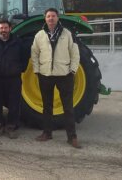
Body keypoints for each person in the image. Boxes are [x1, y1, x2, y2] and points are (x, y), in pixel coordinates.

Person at [31, 8, 81, 149]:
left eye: (53, 16)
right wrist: (37, 70)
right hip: (45, 75)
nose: (51, 19)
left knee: (68, 107)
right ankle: (47, 133)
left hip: (64, 75)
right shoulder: (40, 35)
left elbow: (75, 52)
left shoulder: (67, 34)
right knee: (47, 106)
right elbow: (34, 53)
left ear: (57, 18)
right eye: (48, 16)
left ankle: (72, 137)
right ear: (45, 19)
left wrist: (72, 70)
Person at [0, 18, 26, 139]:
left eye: (6, 28)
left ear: (10, 29)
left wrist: (19, 69)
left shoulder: (18, 42)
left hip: (13, 77)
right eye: (1, 28)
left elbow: (24, 58)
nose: (3, 30)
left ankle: (11, 126)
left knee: (14, 102)